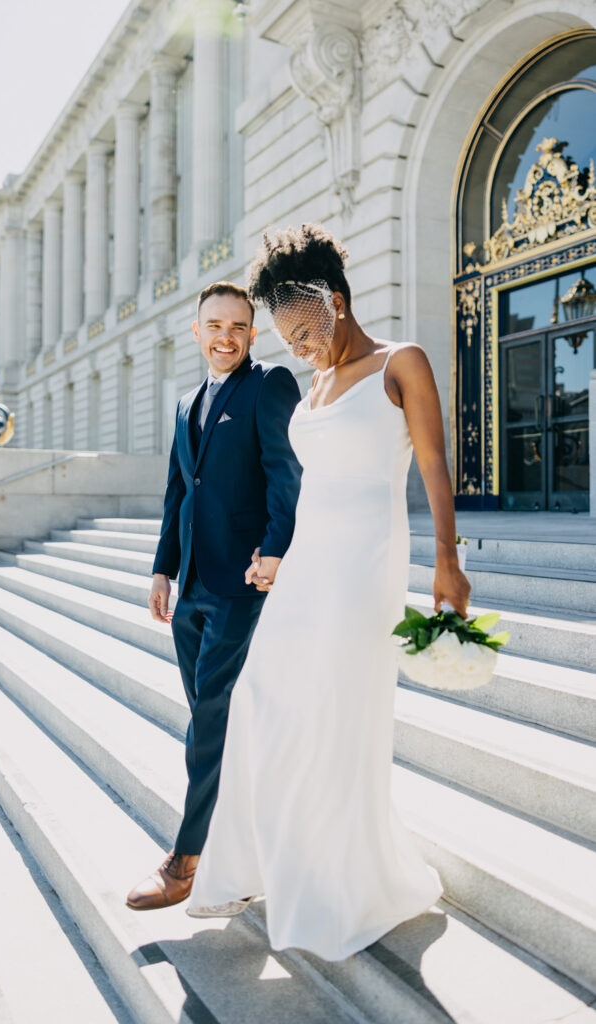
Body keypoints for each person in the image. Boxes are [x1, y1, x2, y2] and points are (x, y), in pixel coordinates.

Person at [187, 224, 471, 960]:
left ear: (336, 302)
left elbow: (434, 467)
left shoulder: (399, 362)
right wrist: (273, 554)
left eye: (306, 330)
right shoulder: (310, 383)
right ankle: (264, 865)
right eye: (285, 338)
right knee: (259, 703)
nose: (300, 348)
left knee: (335, 718)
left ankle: (338, 886)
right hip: (304, 566)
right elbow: (294, 486)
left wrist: (448, 560)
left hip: (362, 564)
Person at [126, 281, 302, 912]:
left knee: (208, 724)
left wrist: (278, 549)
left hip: (241, 584)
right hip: (193, 586)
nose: (226, 336)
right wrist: (162, 568)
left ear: (252, 334)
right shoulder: (184, 402)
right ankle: (239, 839)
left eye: (237, 326)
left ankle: (187, 858)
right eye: (215, 325)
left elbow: (287, 473)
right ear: (196, 331)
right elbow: (179, 490)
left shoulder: (269, 385)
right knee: (210, 720)